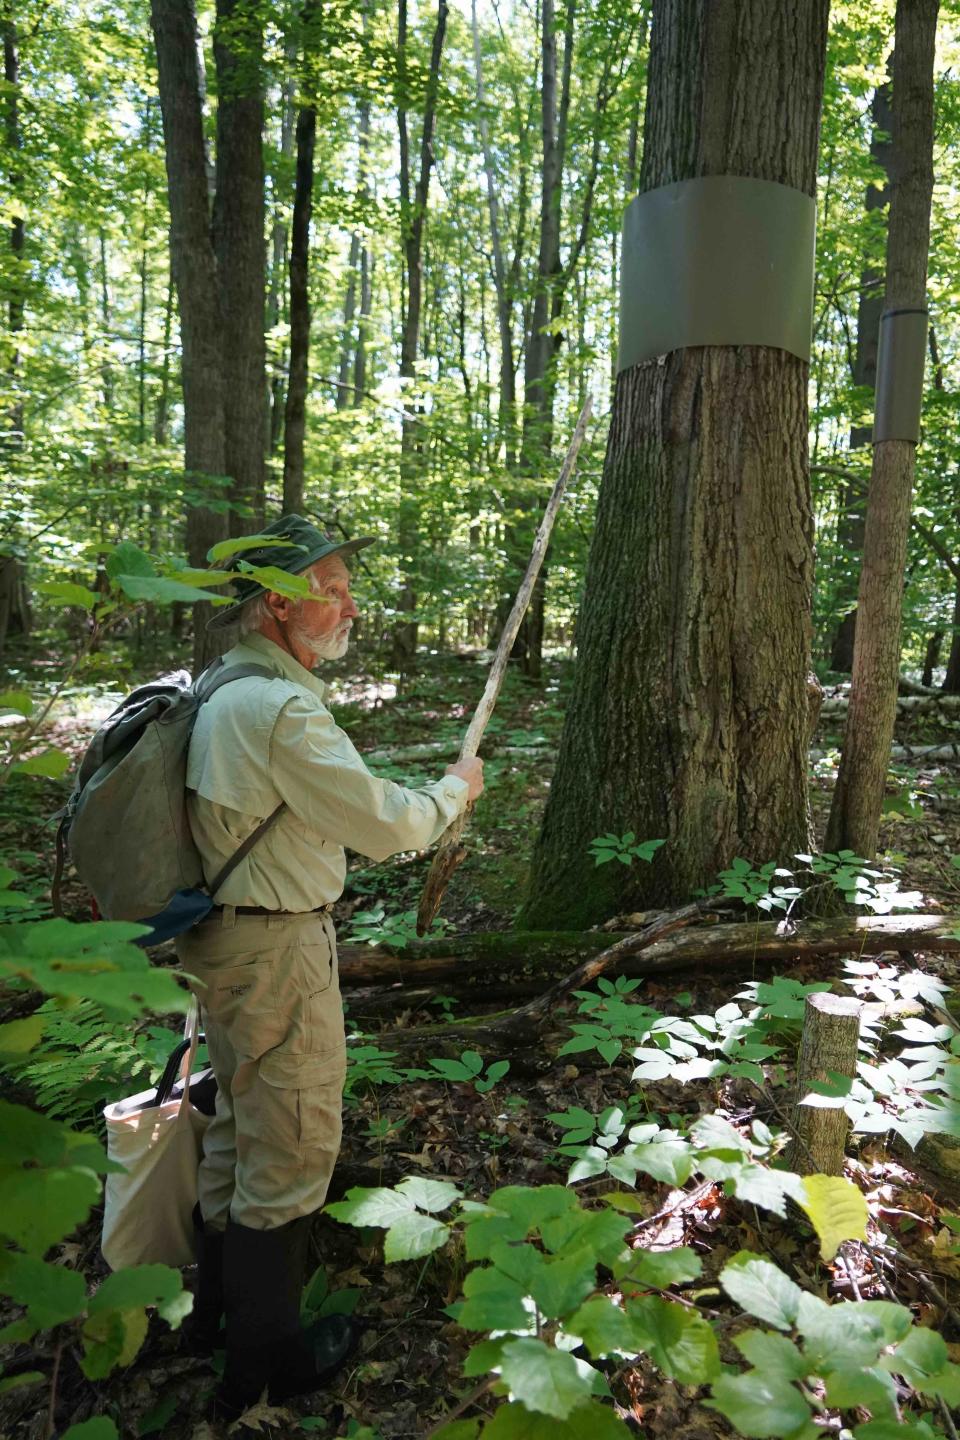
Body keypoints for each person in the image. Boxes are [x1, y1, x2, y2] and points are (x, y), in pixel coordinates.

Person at [176, 514, 483, 1418]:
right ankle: (269, 1367)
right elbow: (385, 826)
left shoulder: (225, 685)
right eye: (334, 586)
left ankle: (217, 1323)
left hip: (225, 945)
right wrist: (452, 795)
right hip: (275, 953)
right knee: (293, 1145)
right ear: (280, 600)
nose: (351, 602)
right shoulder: (274, 705)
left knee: (237, 1130)